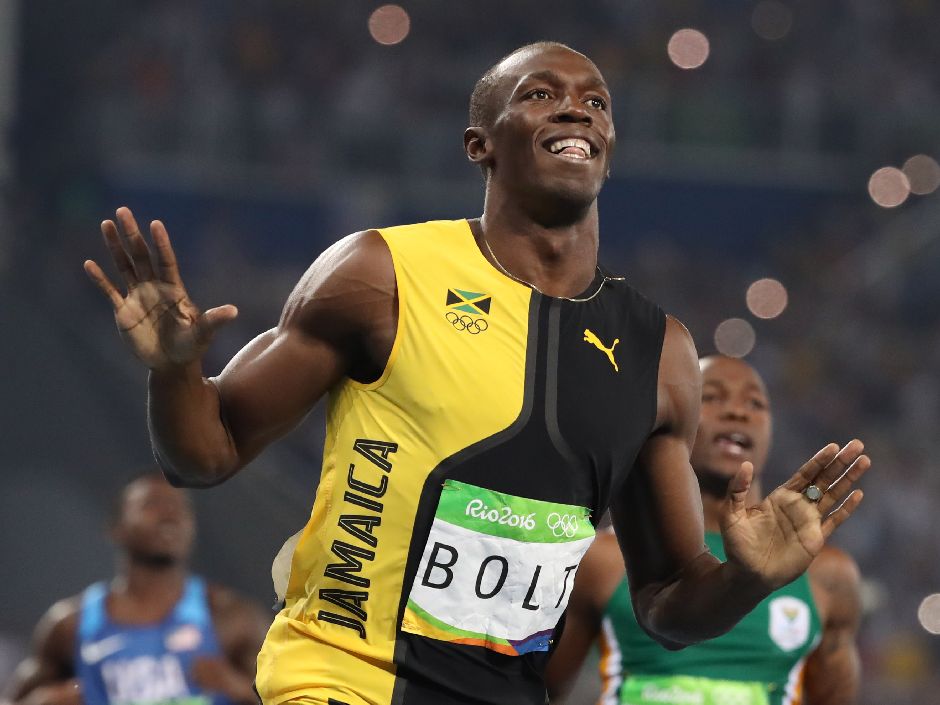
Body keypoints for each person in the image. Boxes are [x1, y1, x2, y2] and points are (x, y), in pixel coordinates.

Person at [82, 42, 870, 705]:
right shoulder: (378, 275)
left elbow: (666, 603)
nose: (576, 110)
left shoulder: (658, 350)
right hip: (344, 675)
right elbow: (206, 452)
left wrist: (745, 578)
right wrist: (177, 372)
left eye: (595, 102)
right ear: (479, 142)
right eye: (540, 94)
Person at [546, 355, 863, 705]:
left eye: (755, 403)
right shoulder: (603, 559)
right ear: (675, 419)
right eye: (711, 397)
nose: (737, 412)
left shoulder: (828, 575)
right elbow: (543, 693)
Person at [5, 473, 269, 705]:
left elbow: (298, 698)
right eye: (151, 505)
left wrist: (238, 688)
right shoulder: (71, 625)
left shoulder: (231, 617)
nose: (170, 515)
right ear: (116, 528)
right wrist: (42, 702)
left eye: (180, 507)